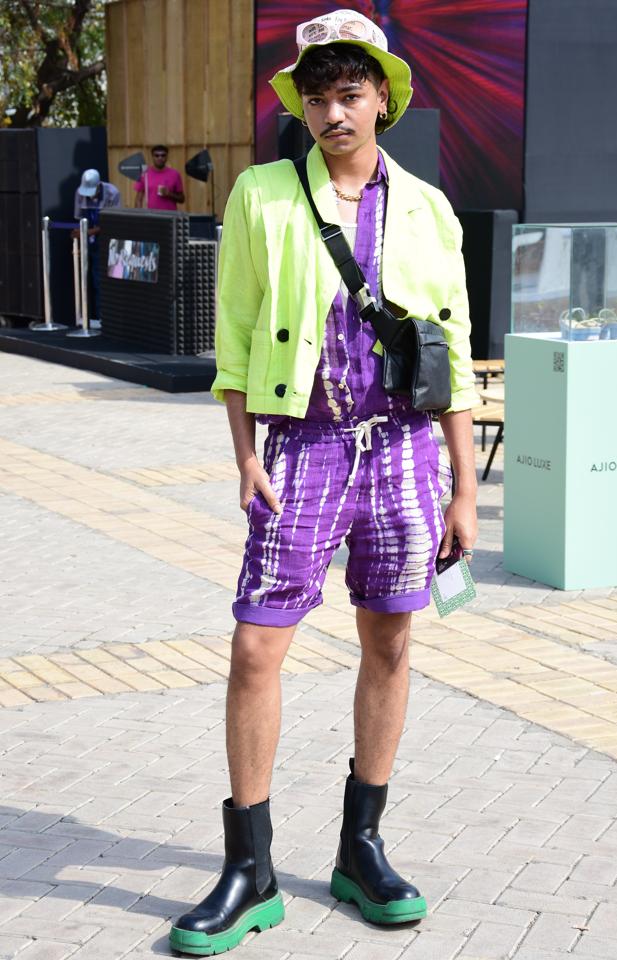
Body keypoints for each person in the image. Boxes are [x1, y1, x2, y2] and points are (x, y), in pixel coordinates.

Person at [169, 9, 478, 956]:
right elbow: (234, 332)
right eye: (317, 97)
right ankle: (250, 869)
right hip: (299, 448)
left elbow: (450, 353)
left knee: (389, 642)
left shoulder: (427, 207)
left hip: (402, 453)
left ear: (382, 96)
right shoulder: (263, 195)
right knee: (257, 648)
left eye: (349, 94)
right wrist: (244, 451)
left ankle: (362, 847)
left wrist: (465, 487)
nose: (333, 113)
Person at [73, 169, 121, 321]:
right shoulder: (80, 193)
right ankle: (94, 317)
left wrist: (90, 232)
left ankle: (108, 318)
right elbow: (79, 219)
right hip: (90, 241)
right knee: (92, 281)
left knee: (105, 281)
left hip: (109, 241)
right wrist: (78, 241)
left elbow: (114, 222)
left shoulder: (112, 192)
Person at [133, 144, 185, 210]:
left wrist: (169, 194)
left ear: (167, 157)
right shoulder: (145, 174)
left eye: (163, 155)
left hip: (170, 217)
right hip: (152, 216)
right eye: (156, 155)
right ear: (152, 157)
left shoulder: (175, 174)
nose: (160, 158)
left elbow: (182, 199)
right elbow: (138, 199)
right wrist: (138, 217)